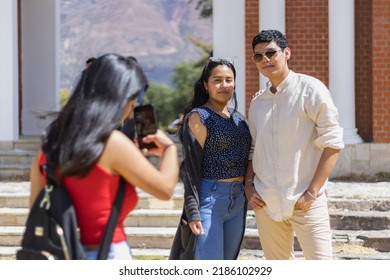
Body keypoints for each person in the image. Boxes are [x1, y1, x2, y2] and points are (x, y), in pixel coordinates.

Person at [29, 53, 179, 260]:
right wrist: (169, 148)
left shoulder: (48, 143)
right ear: (118, 97)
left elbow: (35, 210)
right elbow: (164, 189)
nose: (130, 111)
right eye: (132, 100)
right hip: (107, 252)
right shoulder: (112, 143)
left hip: (59, 254)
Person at [245, 29, 345, 260]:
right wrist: (249, 186)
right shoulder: (258, 103)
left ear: (287, 53)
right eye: (258, 56)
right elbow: (254, 149)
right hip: (266, 202)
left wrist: (312, 193)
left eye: (271, 52)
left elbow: (333, 142)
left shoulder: (311, 89)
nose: (265, 60)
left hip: (306, 201)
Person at [169, 58, 252, 260]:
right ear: (206, 85)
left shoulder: (239, 119)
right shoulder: (199, 117)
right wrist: (192, 211)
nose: (224, 85)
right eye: (217, 80)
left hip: (238, 200)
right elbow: (189, 169)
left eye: (229, 80)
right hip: (210, 200)